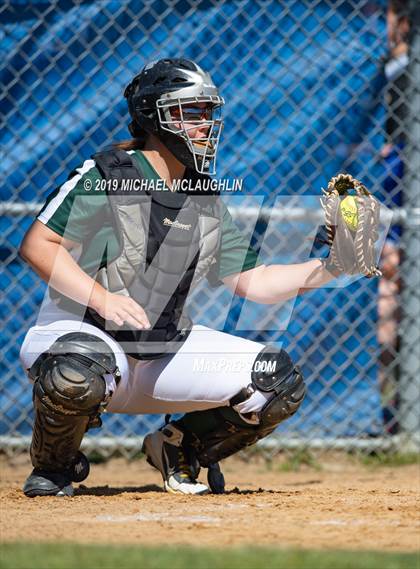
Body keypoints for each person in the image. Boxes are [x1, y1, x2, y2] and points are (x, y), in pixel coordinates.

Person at [19, 58, 348, 498]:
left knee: (276, 382)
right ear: (153, 117)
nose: (205, 124)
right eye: (191, 113)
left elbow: (255, 282)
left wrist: (333, 264)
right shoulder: (108, 176)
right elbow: (39, 246)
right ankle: (53, 467)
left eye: (209, 113)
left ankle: (179, 447)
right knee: (76, 372)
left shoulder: (204, 196)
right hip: (83, 339)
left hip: (158, 354)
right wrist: (102, 298)